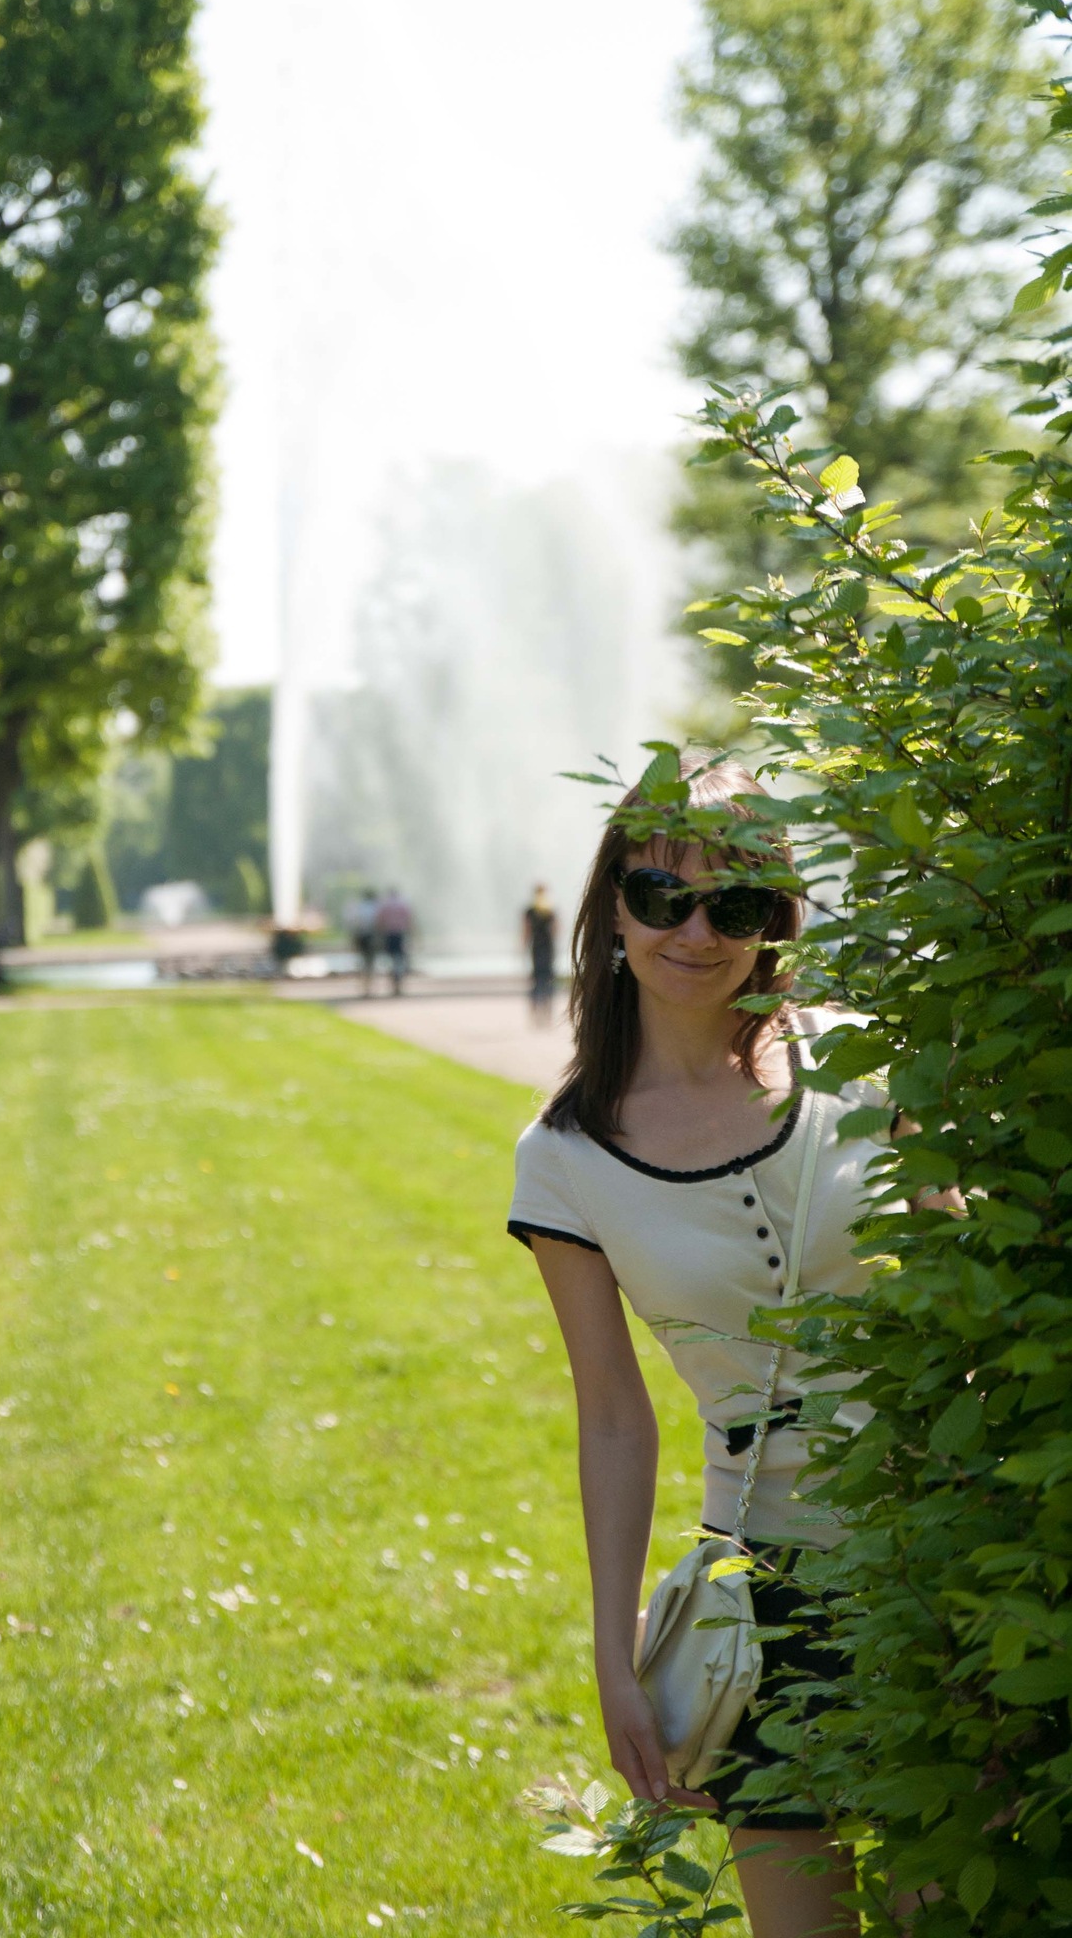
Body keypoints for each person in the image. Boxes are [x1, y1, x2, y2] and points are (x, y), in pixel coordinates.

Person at [507, 753, 947, 1938]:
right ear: (613, 907)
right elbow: (614, 1415)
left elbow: (962, 1294)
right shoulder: (563, 1157)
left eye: (736, 903)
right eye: (662, 895)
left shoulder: (860, 1058)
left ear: (776, 920)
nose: (696, 932)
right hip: (765, 1598)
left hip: (941, 1561)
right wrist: (615, 1651)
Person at [522, 884, 558, 1023]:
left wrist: (523, 947)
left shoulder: (530, 911)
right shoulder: (550, 910)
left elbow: (526, 931)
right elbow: (555, 930)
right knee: (547, 978)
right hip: (548, 947)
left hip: (536, 947)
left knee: (537, 979)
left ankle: (536, 1012)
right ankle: (547, 1012)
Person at [375, 887, 412, 997]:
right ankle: (399, 985)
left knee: (391, 959)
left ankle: (393, 985)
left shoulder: (385, 905)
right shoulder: (402, 904)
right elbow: (409, 920)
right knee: (399, 959)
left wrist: (379, 935)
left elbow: (380, 921)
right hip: (400, 934)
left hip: (389, 934)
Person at [345, 885, 379, 997]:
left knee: (363, 962)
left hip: (361, 936)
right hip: (372, 936)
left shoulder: (360, 907)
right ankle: (369, 987)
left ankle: (364, 987)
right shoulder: (376, 907)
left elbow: (354, 923)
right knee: (370, 962)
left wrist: (353, 938)